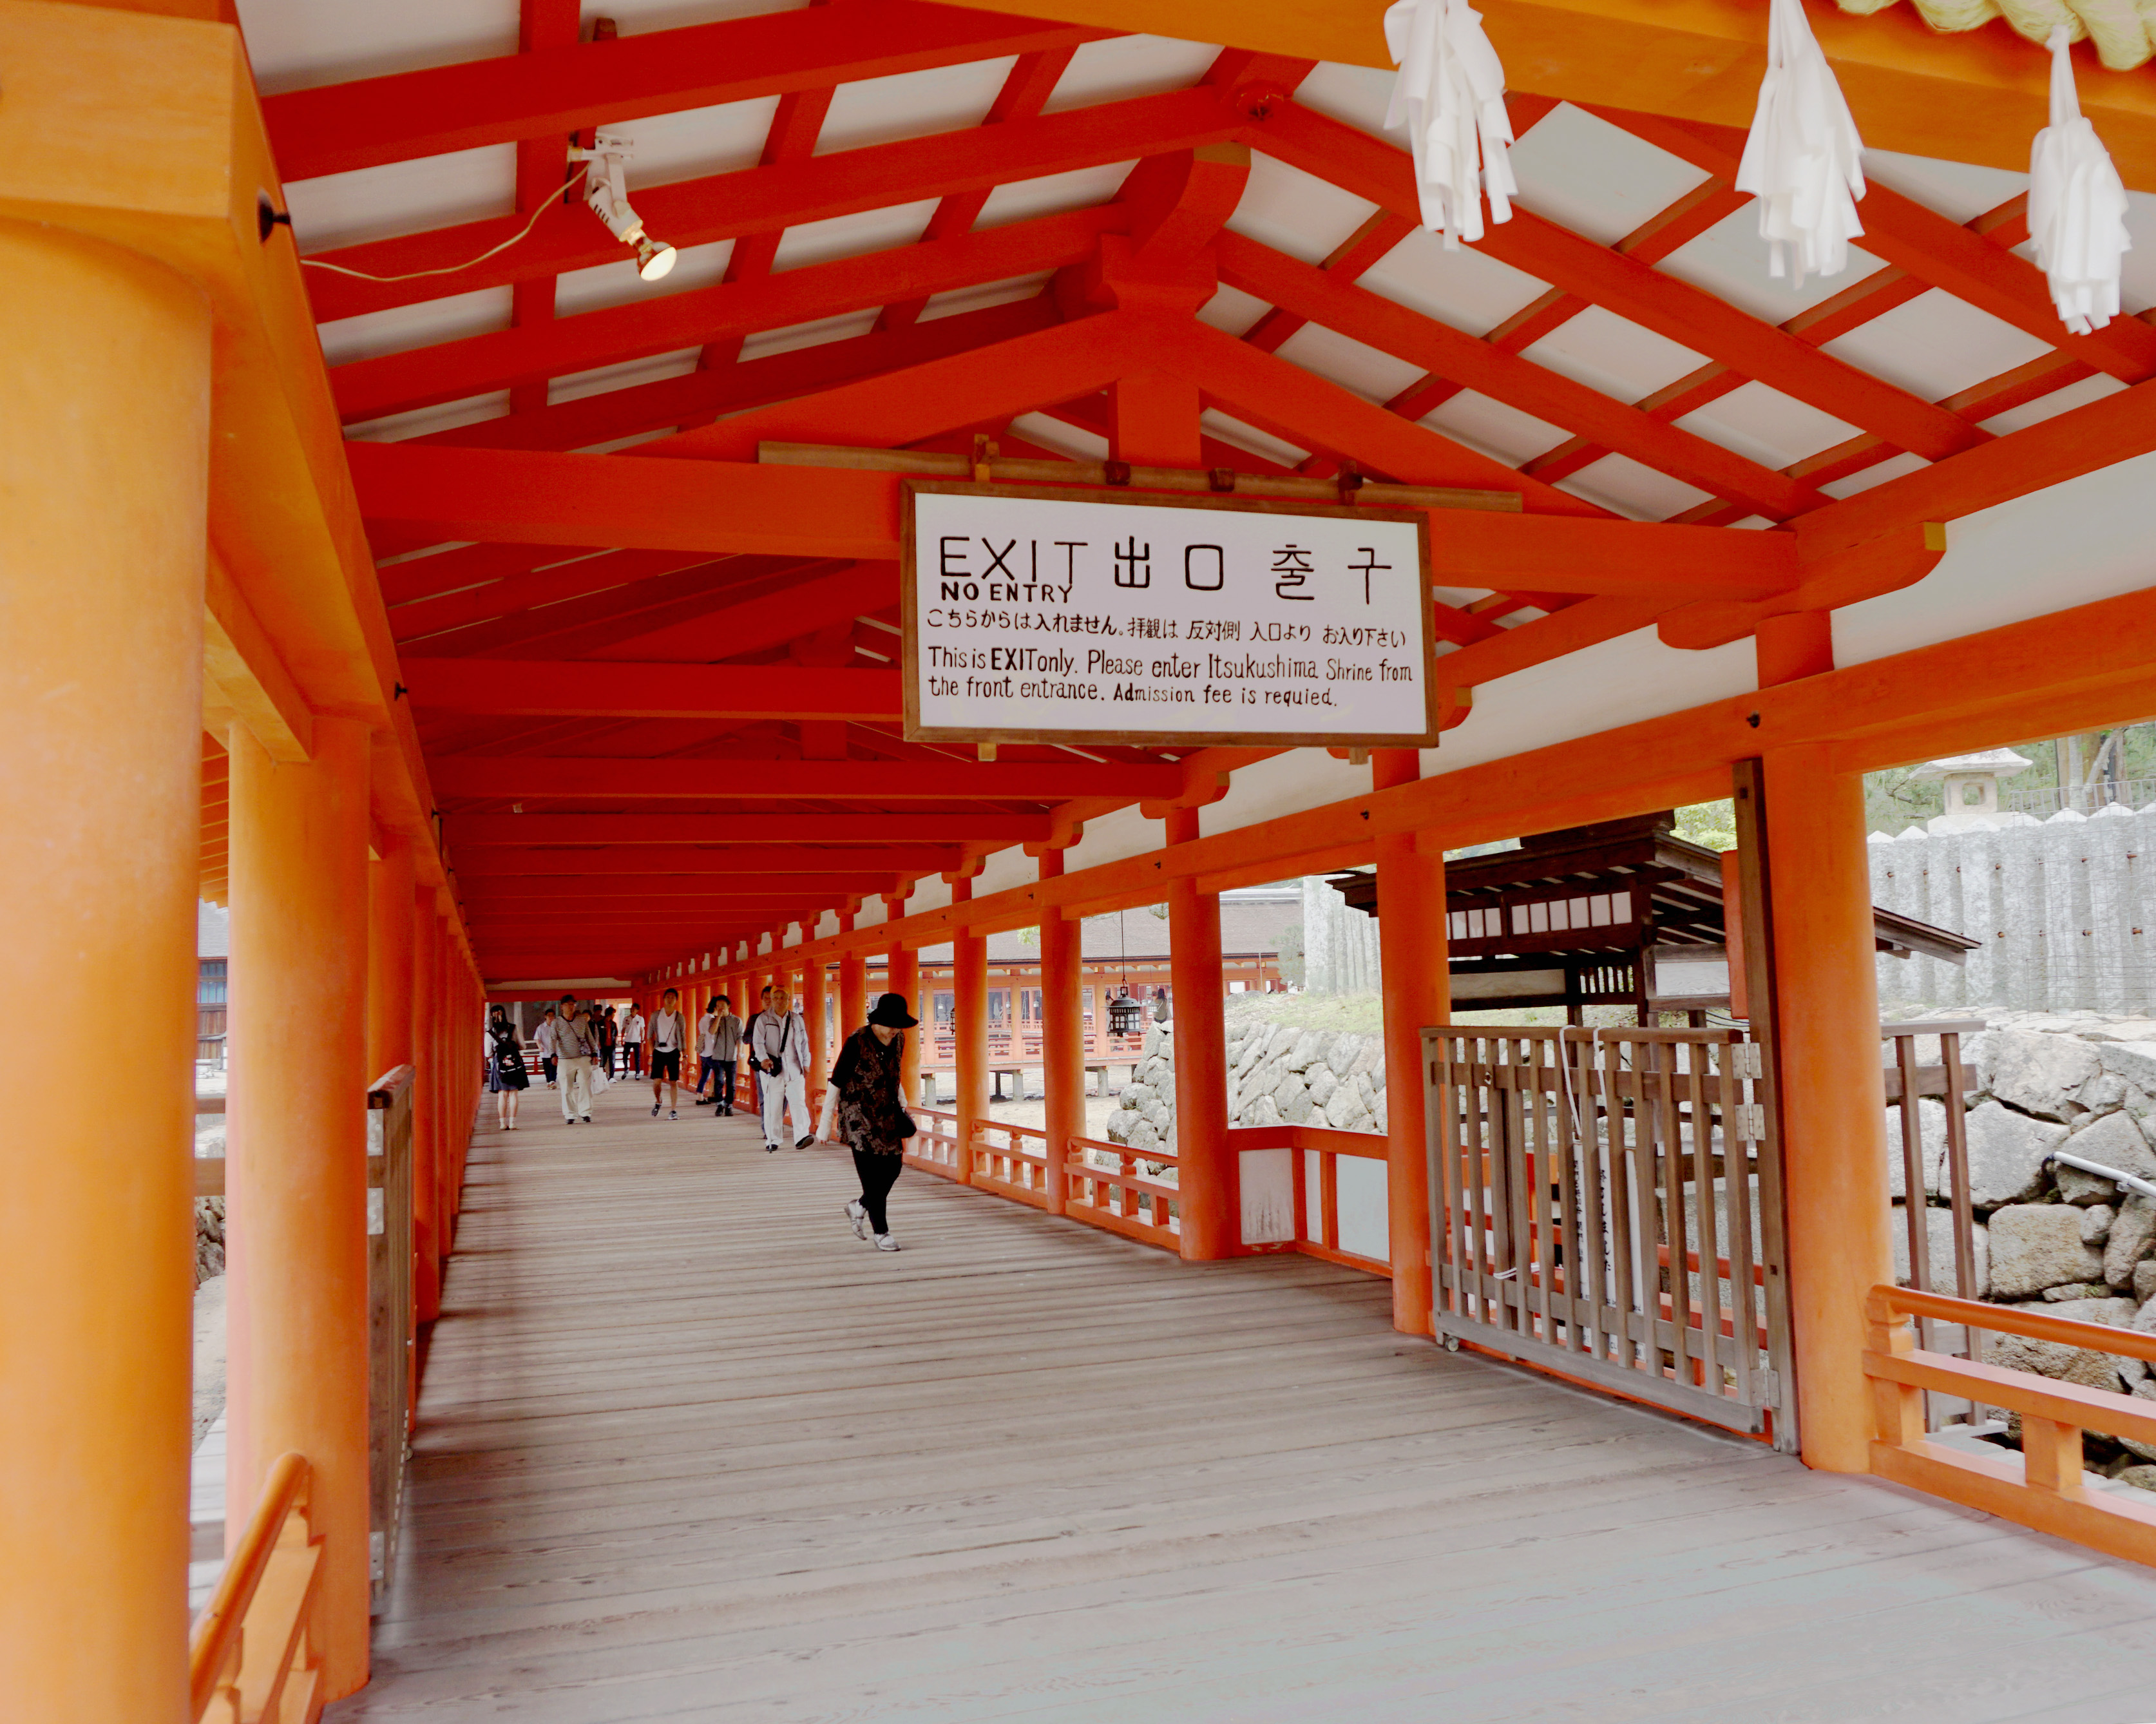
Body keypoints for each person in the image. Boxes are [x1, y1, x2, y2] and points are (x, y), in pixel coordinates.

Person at [829, 993, 918, 1252]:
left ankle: (859, 1205)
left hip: (886, 1111)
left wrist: (902, 1100)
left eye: (898, 1025)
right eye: (891, 1024)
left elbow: (895, 1074)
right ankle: (882, 1232)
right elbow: (836, 1081)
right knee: (872, 1175)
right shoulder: (857, 1041)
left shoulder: (899, 1039)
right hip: (858, 1114)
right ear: (877, 1022)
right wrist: (824, 1125)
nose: (895, 1030)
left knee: (893, 1166)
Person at [752, 984, 814, 1153]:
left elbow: (804, 1043)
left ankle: (802, 1136)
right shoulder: (763, 1020)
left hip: (795, 1068)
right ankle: (773, 1140)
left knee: (798, 1103)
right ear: (771, 1000)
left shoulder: (796, 1019)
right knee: (774, 1106)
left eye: (783, 998)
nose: (780, 1001)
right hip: (773, 1070)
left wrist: (806, 1063)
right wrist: (764, 1059)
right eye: (776, 998)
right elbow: (757, 1042)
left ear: (789, 1000)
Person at [554, 994, 596, 1125]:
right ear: (562, 1006)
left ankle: (585, 1112)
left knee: (585, 1085)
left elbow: (589, 1037)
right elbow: (552, 1039)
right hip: (565, 1059)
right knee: (567, 1088)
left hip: (583, 1057)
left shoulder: (582, 1020)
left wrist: (595, 1053)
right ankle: (570, 1114)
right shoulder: (556, 1022)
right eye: (568, 1004)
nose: (572, 1006)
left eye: (574, 1004)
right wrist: (552, 1055)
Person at [486, 1004, 529, 1130]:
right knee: (513, 1094)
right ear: (504, 1014)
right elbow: (523, 1046)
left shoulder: (490, 1033)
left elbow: (488, 1053)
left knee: (502, 1094)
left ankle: (502, 1124)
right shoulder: (514, 1028)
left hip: (499, 1067)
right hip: (514, 1065)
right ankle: (513, 1123)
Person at [648, 986, 689, 1119]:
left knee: (673, 1081)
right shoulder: (656, 1015)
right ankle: (658, 1100)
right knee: (657, 1082)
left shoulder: (679, 1017)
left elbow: (683, 1036)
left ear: (676, 1000)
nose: (670, 999)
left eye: (673, 997)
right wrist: (652, 1050)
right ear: (664, 999)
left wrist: (685, 1055)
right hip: (659, 1051)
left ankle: (673, 1110)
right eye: (668, 997)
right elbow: (649, 1035)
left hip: (674, 1051)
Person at [706, 994, 743, 1116]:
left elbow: (740, 1037)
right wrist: (719, 1018)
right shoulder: (713, 1020)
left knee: (731, 1083)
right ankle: (719, 1105)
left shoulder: (736, 1020)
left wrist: (739, 1052)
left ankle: (729, 1105)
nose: (720, 1008)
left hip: (731, 1057)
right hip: (718, 1056)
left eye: (723, 1005)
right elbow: (712, 1032)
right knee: (719, 1081)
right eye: (718, 1006)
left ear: (729, 1005)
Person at [534, 1002, 558, 1088]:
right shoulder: (541, 1027)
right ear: (545, 1017)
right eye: (549, 1016)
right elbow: (537, 1038)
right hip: (545, 1051)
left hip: (555, 1051)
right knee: (547, 1067)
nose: (551, 1017)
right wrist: (540, 1047)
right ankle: (549, 1081)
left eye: (552, 1016)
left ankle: (553, 1081)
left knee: (554, 1066)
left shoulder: (556, 1026)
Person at [622, 1002, 645, 1077]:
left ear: (637, 1010)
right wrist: (622, 1037)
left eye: (634, 1009)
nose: (632, 1010)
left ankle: (637, 1073)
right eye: (631, 1009)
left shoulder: (640, 1019)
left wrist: (643, 1038)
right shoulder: (626, 1018)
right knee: (625, 1056)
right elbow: (623, 1029)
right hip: (628, 1040)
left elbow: (642, 1030)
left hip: (636, 1040)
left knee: (637, 1058)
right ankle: (626, 1069)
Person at [600, 1004, 619, 1077]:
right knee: (603, 1062)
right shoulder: (600, 1023)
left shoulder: (614, 1024)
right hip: (603, 1045)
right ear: (609, 1014)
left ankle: (611, 1077)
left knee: (612, 1061)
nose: (614, 1015)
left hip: (611, 1045)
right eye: (613, 1014)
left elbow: (616, 1034)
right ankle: (600, 1077)